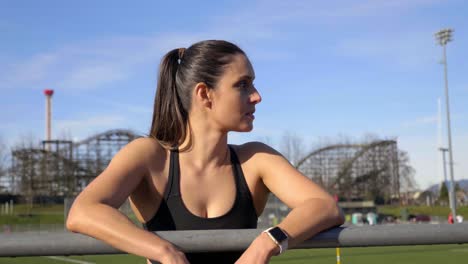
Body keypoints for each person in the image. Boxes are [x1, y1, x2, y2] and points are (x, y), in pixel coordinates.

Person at [66, 40, 344, 264]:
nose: (257, 95)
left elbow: (325, 207)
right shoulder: (149, 156)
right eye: (243, 84)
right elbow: (83, 211)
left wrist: (266, 243)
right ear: (204, 94)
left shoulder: (255, 159)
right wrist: (164, 252)